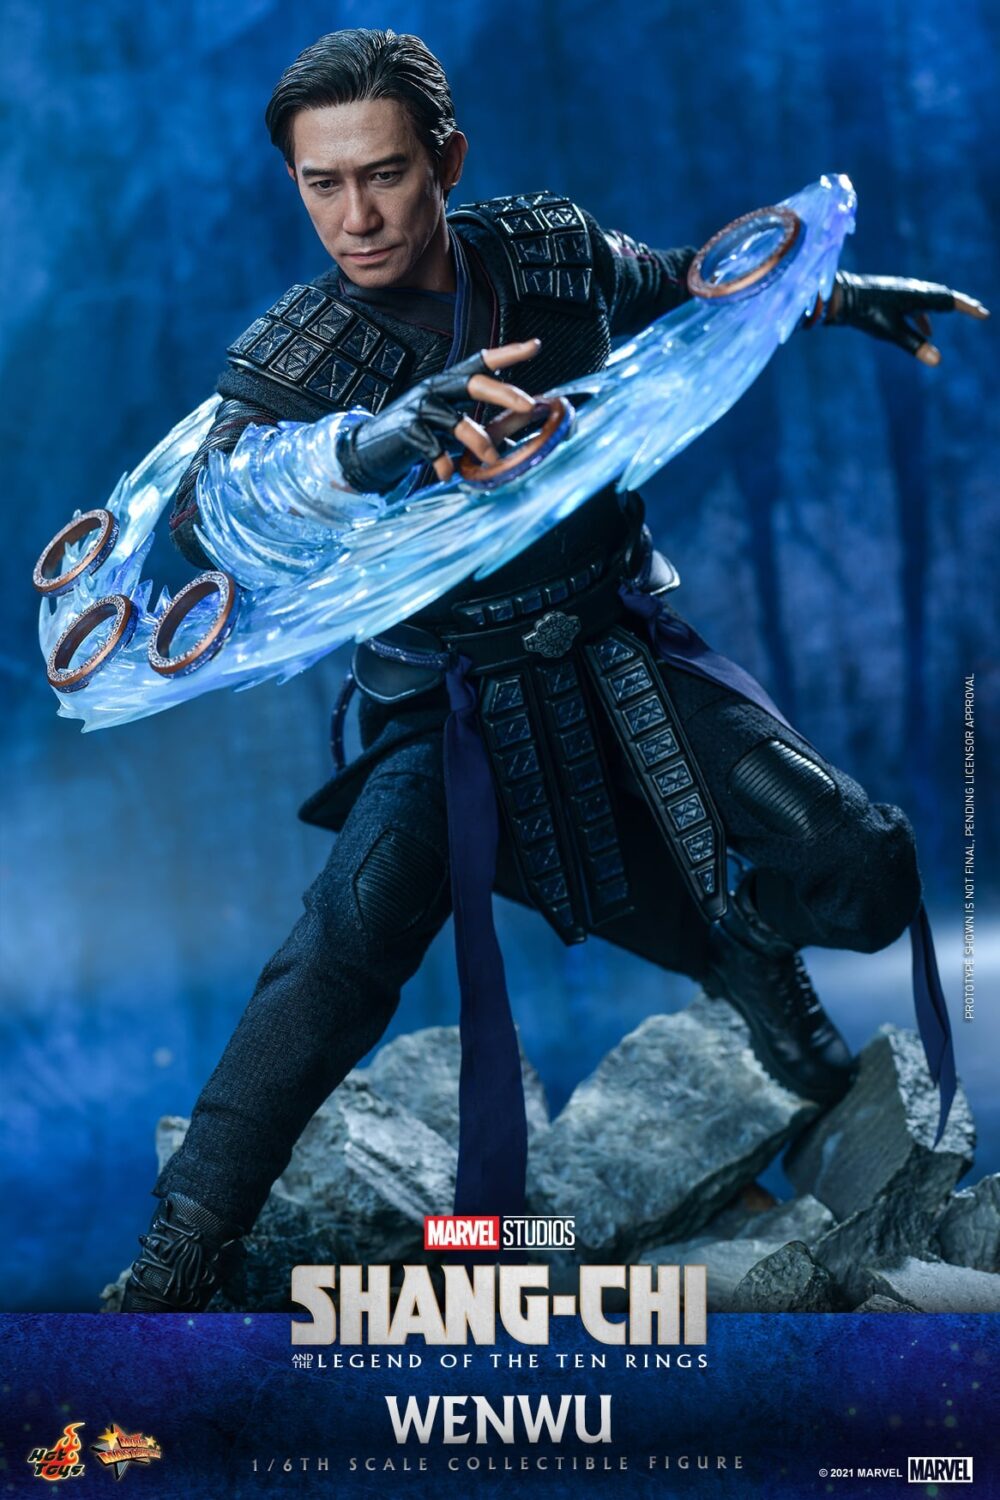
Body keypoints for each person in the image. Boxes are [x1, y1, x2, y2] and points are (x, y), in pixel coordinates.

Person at [121, 28, 987, 1312]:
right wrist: (367, 447)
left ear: (446, 161)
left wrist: (831, 291)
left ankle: (748, 942)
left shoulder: (546, 249)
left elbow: (685, 289)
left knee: (859, 858)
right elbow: (212, 511)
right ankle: (183, 1245)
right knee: (340, 948)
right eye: (323, 183)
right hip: (448, 702)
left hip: (617, 646)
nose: (357, 217)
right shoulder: (298, 357)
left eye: (386, 174)